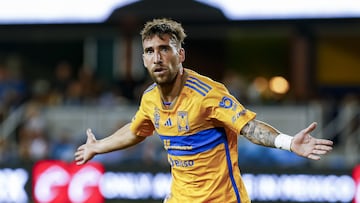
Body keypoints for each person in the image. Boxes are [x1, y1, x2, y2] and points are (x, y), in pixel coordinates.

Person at [74, 18, 333, 203]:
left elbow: (249, 128)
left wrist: (288, 143)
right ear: (143, 59)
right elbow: (136, 131)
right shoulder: (150, 98)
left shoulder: (207, 93)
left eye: (165, 49)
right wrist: (98, 147)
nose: (157, 58)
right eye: (150, 51)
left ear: (181, 55)